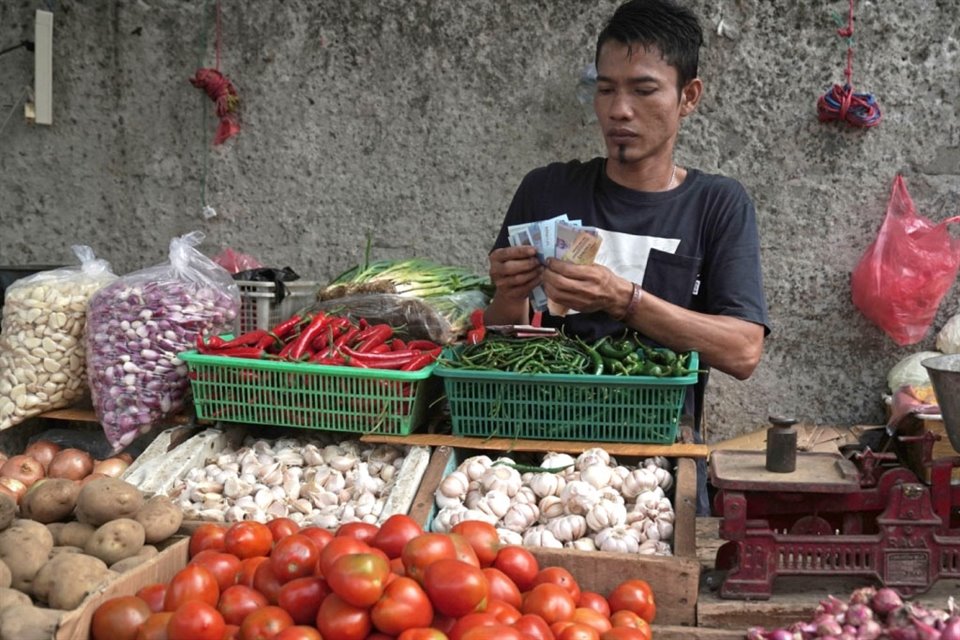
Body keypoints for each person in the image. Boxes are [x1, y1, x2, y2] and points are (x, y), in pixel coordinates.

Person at [485, 0, 771, 514]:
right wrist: (507, 295)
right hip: (535, 456)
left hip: (657, 461)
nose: (619, 109)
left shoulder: (717, 205)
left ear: (689, 97)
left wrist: (626, 300)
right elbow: (494, 337)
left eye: (643, 90)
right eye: (605, 89)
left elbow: (743, 352)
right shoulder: (546, 189)